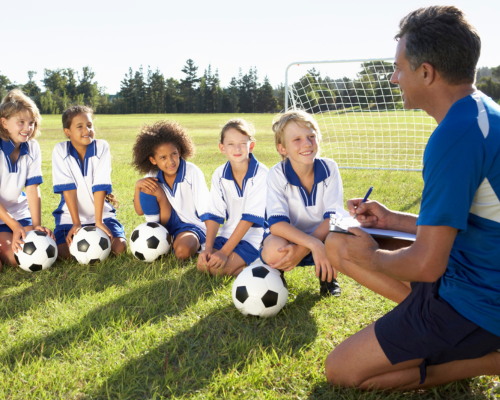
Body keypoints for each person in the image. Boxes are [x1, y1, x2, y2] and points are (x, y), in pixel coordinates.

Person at [324, 6, 500, 391]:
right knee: (338, 243)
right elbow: (472, 222)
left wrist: (370, 256)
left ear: (426, 72)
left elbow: (426, 264)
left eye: (399, 67)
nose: (393, 77)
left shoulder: (457, 135)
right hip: (474, 271)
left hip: (478, 300)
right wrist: (391, 220)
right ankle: (425, 336)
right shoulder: (482, 114)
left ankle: (487, 358)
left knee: (342, 371)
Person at [260, 109, 343, 296]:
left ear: (318, 139)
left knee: (340, 241)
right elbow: (277, 225)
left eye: (311, 136)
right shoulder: (277, 173)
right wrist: (312, 245)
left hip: (323, 234)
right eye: (296, 139)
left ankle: (328, 279)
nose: (306, 143)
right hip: (289, 235)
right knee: (274, 250)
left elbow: (333, 219)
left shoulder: (329, 168)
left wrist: (308, 246)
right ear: (282, 149)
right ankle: (275, 277)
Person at [52, 105, 127, 259]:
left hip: (102, 215)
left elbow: (100, 186)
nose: (87, 130)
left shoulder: (101, 147)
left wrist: (98, 221)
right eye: (80, 126)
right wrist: (76, 223)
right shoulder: (60, 150)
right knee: (63, 254)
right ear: (67, 132)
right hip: (69, 217)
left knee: (119, 248)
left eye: (89, 125)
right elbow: (68, 188)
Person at [197, 118, 268, 277]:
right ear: (222, 147)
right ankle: (243, 265)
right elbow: (214, 214)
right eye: (230, 144)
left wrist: (224, 252)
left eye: (243, 143)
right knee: (203, 265)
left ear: (251, 145)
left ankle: (260, 264)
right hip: (227, 234)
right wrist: (208, 249)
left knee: (217, 269)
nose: (237, 148)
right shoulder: (219, 174)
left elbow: (249, 219)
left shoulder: (262, 174)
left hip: (255, 238)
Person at [132, 120, 210, 261]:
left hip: (190, 226)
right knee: (147, 186)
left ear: (179, 151)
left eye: (173, 154)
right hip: (164, 222)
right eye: (163, 157)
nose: (171, 161)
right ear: (153, 160)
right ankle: (157, 233)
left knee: (182, 252)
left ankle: (172, 242)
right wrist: (138, 186)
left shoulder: (192, 172)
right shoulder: (151, 175)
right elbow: (139, 211)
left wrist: (210, 244)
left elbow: (206, 211)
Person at [0, 89, 54, 271]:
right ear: (4, 123)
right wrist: (14, 227)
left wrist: (36, 224)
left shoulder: (32, 147)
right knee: (12, 258)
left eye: (31, 123)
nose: (27, 128)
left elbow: (32, 188)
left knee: (25, 254)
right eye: (21, 122)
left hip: (19, 213)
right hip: (3, 216)